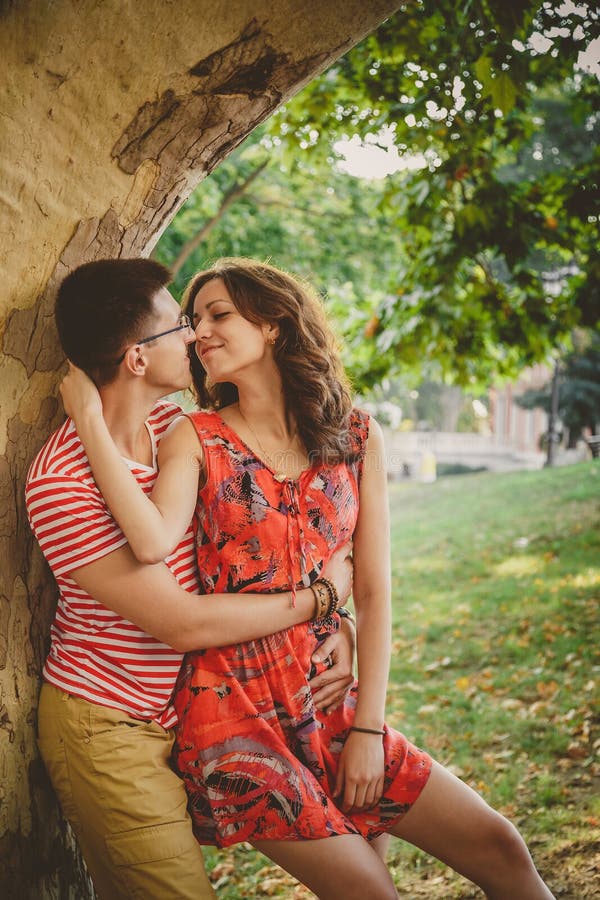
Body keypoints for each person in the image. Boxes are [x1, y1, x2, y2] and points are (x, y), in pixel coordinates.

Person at [62, 258, 555, 900]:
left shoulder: (353, 434)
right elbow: (154, 541)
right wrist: (89, 421)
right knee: (372, 892)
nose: (199, 331)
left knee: (502, 847)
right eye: (191, 319)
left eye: (218, 315)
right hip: (235, 714)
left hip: (329, 699)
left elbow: (374, 588)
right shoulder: (194, 437)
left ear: (273, 324)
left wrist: (370, 731)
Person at [25, 258, 357, 900]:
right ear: (137, 359)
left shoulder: (175, 431)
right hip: (109, 725)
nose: (195, 336)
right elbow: (179, 620)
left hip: (199, 710)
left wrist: (337, 619)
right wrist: (320, 598)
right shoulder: (60, 483)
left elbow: (265, 552)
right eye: (180, 323)